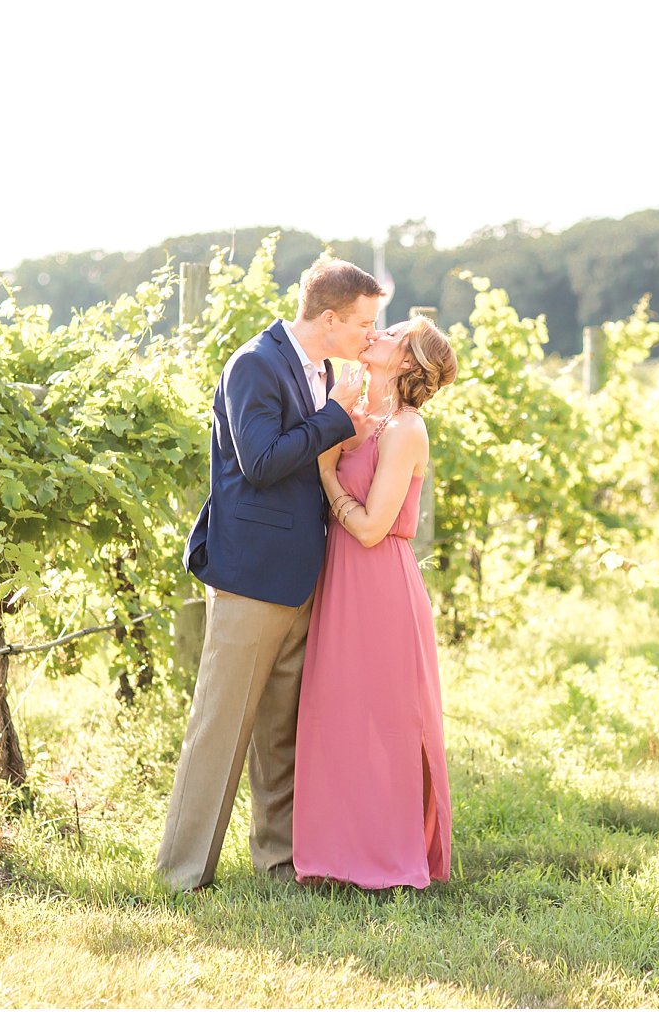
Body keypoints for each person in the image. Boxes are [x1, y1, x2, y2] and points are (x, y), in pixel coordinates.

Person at [155, 257, 382, 892]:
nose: (371, 334)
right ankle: (181, 872)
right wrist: (335, 420)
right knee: (221, 728)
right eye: (364, 323)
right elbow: (259, 461)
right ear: (330, 317)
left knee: (281, 731)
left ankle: (279, 864)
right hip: (252, 576)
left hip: (301, 576)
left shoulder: (324, 370)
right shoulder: (254, 362)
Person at [292, 316, 459, 889]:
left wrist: (326, 474)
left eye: (391, 334)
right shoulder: (360, 415)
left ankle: (388, 859)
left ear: (408, 361)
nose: (376, 335)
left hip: (380, 585)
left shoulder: (407, 430)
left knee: (385, 722)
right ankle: (330, 855)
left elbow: (369, 529)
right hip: (338, 579)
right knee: (331, 713)